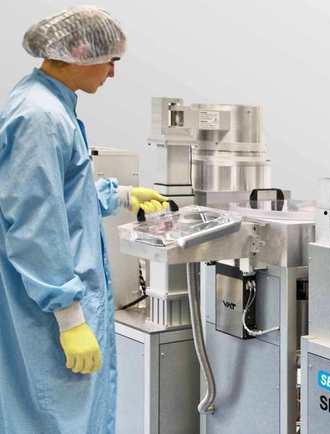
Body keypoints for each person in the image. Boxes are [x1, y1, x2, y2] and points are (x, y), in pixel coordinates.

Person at [0, 6, 167, 433]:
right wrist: (69, 317)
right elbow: (35, 224)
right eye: (110, 60)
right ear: (78, 52)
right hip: (47, 314)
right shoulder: (41, 117)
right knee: (54, 418)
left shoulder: (49, 104)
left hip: (51, 306)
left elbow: (58, 193)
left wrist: (119, 195)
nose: (112, 72)